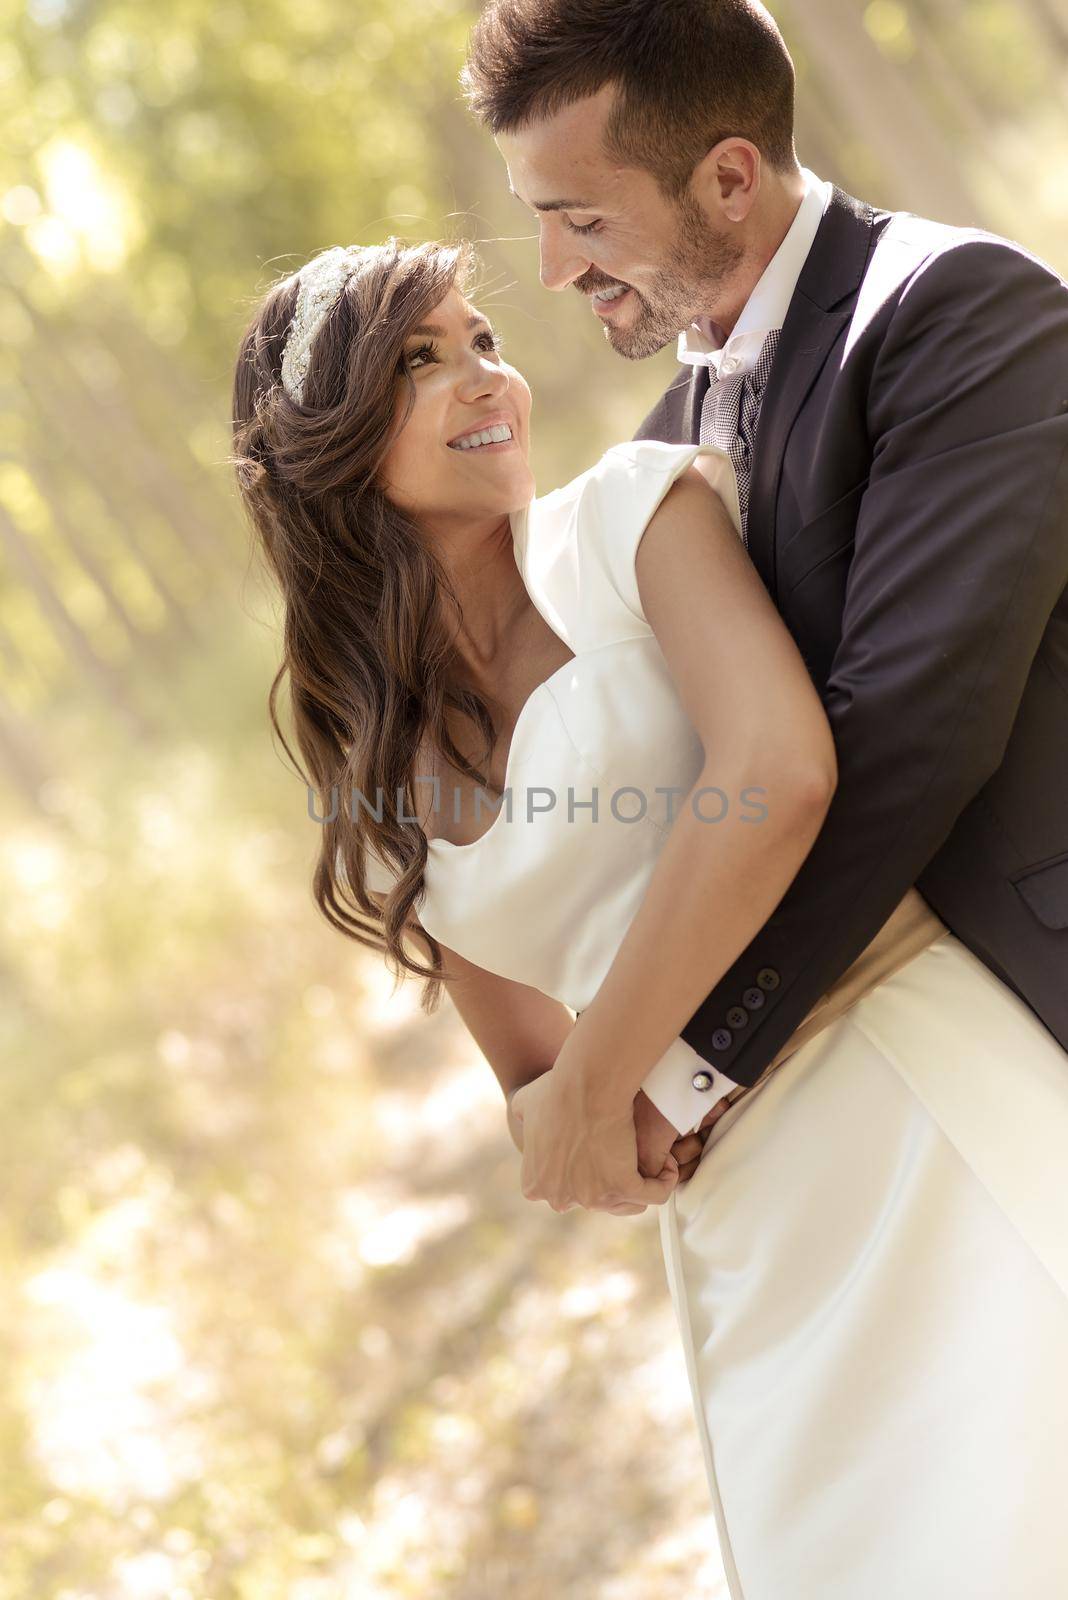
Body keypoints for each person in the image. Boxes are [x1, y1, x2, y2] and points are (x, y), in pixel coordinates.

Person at [230, 226, 1068, 1595]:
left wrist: (611, 1077)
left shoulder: (633, 513)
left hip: (916, 1085)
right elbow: (544, 1098)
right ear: (327, 452)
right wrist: (573, 1119)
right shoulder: (379, 768)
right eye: (420, 365)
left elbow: (780, 771)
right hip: (744, 1229)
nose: (483, 378)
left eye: (483, 343)